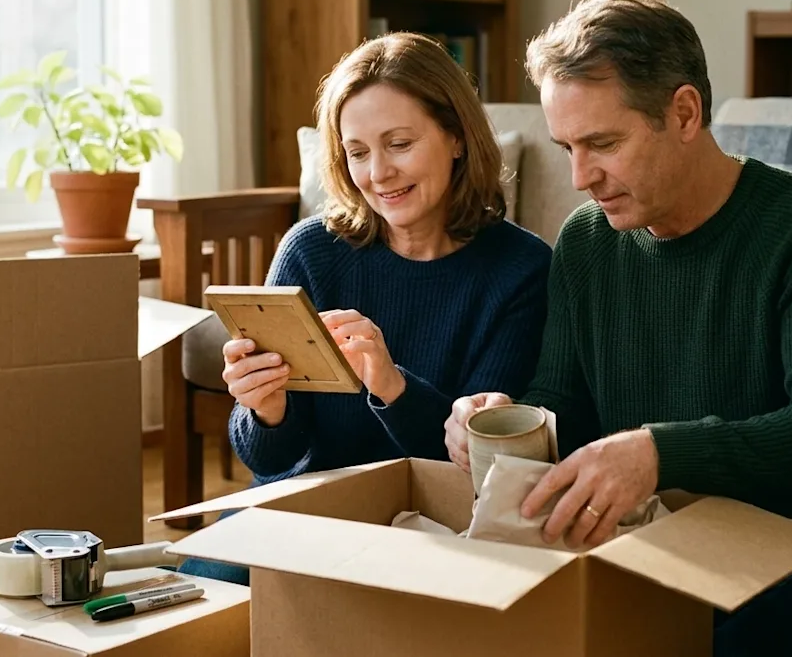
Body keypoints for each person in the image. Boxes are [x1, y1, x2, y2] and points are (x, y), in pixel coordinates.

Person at [442, 0, 792, 656]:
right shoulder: (586, 241)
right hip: (649, 550)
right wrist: (511, 423)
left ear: (684, 112)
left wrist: (659, 451)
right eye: (565, 147)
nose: (579, 176)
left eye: (602, 143)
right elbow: (565, 400)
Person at [178, 31, 552, 585]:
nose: (378, 174)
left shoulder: (522, 269)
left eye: (399, 144)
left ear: (456, 137)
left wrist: (392, 386)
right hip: (303, 515)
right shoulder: (311, 252)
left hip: (441, 531)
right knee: (192, 597)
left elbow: (479, 472)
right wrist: (264, 408)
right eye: (357, 152)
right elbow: (269, 462)